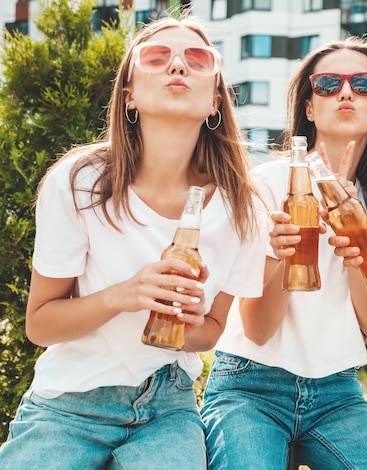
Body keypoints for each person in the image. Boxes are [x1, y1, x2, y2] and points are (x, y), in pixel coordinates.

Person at [0, 15, 267, 469]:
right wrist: (125, 295)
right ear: (129, 96)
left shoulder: (242, 207)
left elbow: (211, 332)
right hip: (69, 403)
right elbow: (40, 324)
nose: (177, 66)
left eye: (197, 59)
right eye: (156, 57)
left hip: (168, 408)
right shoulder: (80, 182)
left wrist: (187, 320)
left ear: (215, 100)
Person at [201, 36, 367, 469]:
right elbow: (258, 329)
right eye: (327, 83)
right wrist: (286, 255)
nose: (346, 92)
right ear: (308, 106)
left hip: (337, 392)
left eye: (364, 83)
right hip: (251, 385)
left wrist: (359, 246)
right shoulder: (268, 185)